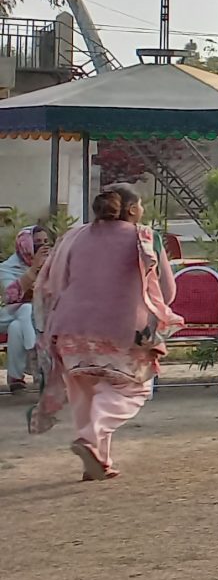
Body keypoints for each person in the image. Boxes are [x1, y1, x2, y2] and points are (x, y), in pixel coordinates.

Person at [27, 185, 179, 481]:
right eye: (141, 205)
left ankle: (98, 461)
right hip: (123, 331)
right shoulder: (145, 237)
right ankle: (90, 437)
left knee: (85, 393)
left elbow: (54, 283)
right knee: (134, 389)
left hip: (70, 328)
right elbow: (167, 291)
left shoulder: (73, 236)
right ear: (132, 210)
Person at [2, 224, 50, 395]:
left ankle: (15, 378)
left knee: (17, 326)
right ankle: (36, 358)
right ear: (25, 244)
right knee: (25, 309)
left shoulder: (51, 265)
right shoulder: (7, 268)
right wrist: (33, 269)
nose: (42, 245)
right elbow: (10, 296)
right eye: (37, 242)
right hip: (8, 314)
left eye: (45, 241)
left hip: (39, 315)